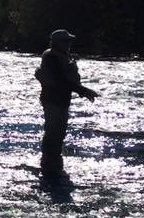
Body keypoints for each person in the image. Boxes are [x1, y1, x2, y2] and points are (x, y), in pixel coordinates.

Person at [35, 29, 98, 178]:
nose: (69, 44)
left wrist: (81, 90)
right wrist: (83, 91)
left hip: (61, 100)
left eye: (69, 41)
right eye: (66, 41)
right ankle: (49, 164)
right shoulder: (51, 57)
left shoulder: (62, 56)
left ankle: (53, 162)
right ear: (57, 43)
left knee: (58, 131)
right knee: (54, 131)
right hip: (53, 100)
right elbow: (61, 80)